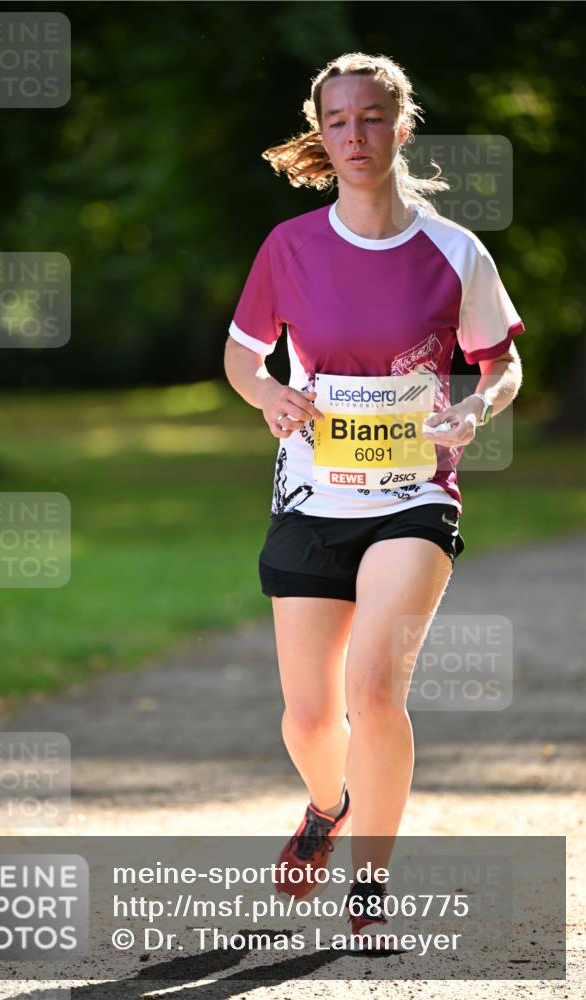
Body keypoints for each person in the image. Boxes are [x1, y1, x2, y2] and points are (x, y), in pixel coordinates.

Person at [223, 52, 524, 938]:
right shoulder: (290, 247)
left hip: (413, 496)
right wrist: (270, 393)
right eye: (337, 122)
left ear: (402, 123)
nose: (354, 136)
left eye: (371, 118)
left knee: (373, 691)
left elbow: (501, 361)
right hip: (313, 497)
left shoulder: (453, 251)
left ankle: (370, 884)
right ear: (323, 134)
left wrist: (476, 403)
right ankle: (328, 806)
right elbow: (244, 354)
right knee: (310, 716)